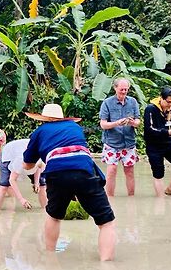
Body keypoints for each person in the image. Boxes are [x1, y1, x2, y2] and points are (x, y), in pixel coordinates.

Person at [23, 104, 116, 261]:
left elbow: (27, 165)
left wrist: (41, 157)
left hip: (56, 173)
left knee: (53, 216)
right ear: (62, 117)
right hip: (83, 171)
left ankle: (50, 258)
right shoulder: (74, 127)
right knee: (106, 223)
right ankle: (106, 265)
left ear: (43, 119)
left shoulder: (39, 132)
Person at [99, 78, 141, 196]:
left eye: (126, 89)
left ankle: (131, 198)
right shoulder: (107, 103)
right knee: (111, 171)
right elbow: (103, 124)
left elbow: (138, 122)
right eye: (121, 89)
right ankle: (110, 199)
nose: (123, 92)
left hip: (129, 143)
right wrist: (117, 123)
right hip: (112, 143)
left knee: (130, 171)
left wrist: (132, 123)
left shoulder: (133, 102)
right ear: (115, 88)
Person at [144, 86, 171, 197]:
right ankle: (160, 201)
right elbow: (149, 129)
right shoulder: (150, 109)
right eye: (168, 102)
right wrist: (167, 132)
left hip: (170, 144)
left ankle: (170, 189)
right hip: (154, 146)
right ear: (161, 98)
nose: (170, 105)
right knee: (158, 173)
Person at [0, 139, 45, 210]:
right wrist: (21, 199)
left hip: (25, 150)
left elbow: (39, 167)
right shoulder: (20, 160)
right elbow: (12, 180)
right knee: (4, 184)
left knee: (42, 183)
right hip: (8, 153)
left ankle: (45, 210)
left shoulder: (41, 157)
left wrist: (36, 183)